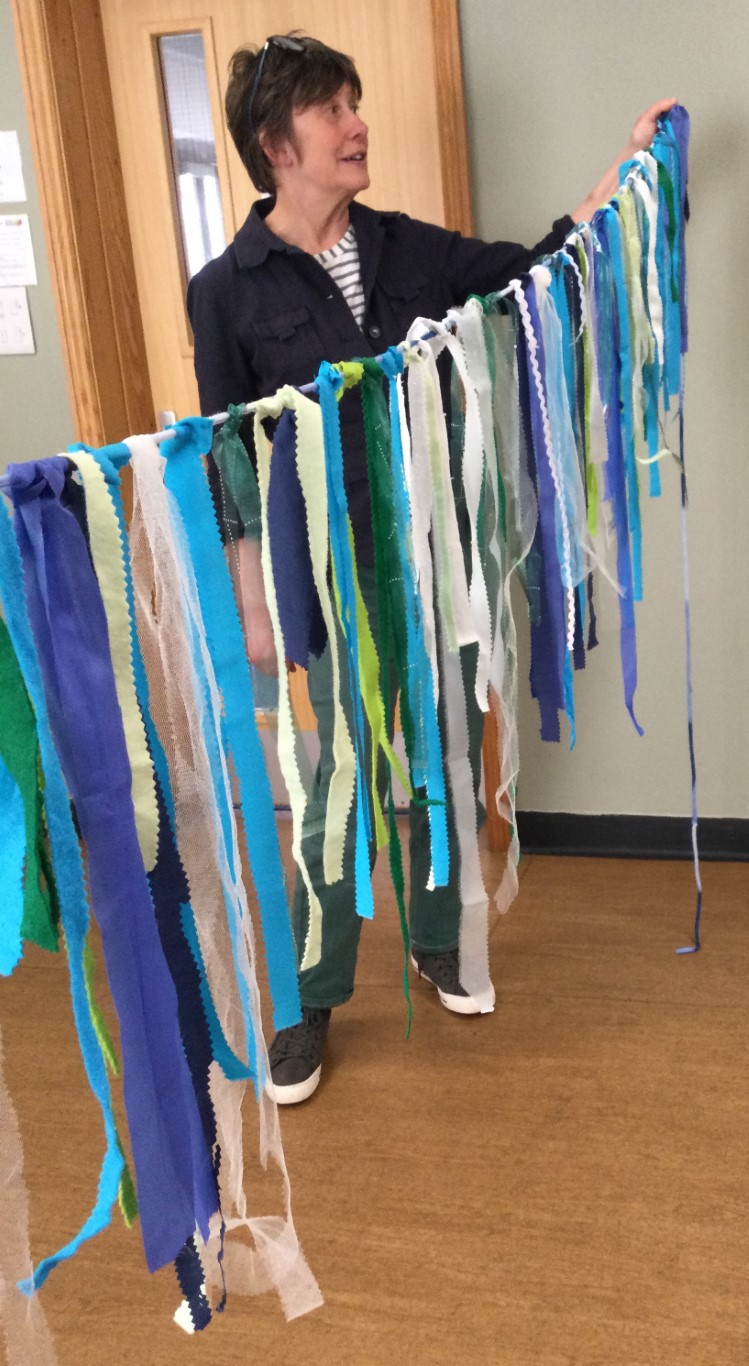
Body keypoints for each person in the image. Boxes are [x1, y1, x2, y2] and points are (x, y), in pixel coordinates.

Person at [187, 32, 675, 1105]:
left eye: (356, 102)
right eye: (332, 111)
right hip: (330, 573)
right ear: (276, 145)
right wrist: (246, 595)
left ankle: (436, 944)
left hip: (438, 554)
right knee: (337, 783)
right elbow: (225, 446)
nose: (356, 125)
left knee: (442, 757)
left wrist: (622, 170)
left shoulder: (404, 248)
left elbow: (536, 264)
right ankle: (309, 1000)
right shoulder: (226, 289)